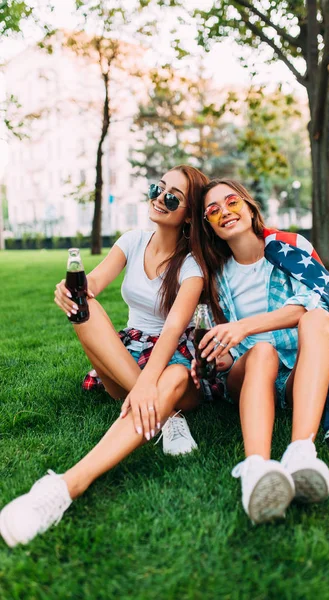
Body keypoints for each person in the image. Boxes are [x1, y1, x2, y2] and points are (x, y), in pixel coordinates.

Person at [0, 165, 210, 547]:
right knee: (82, 304)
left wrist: (149, 384)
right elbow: (92, 284)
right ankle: (168, 417)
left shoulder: (192, 267)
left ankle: (63, 487)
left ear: (188, 214)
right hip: (127, 355)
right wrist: (68, 290)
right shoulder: (132, 240)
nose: (159, 198)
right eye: (157, 188)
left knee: (174, 378)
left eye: (173, 196)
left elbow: (174, 332)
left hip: (170, 357)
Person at [190, 179, 329, 525]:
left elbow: (311, 303)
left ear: (250, 206)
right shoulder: (215, 277)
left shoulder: (290, 247)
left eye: (232, 202)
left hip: (298, 372)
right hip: (249, 373)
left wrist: (244, 326)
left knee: (318, 318)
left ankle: (301, 452)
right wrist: (218, 357)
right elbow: (224, 350)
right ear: (209, 226)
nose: (224, 212)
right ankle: (256, 470)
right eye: (213, 210)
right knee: (262, 351)